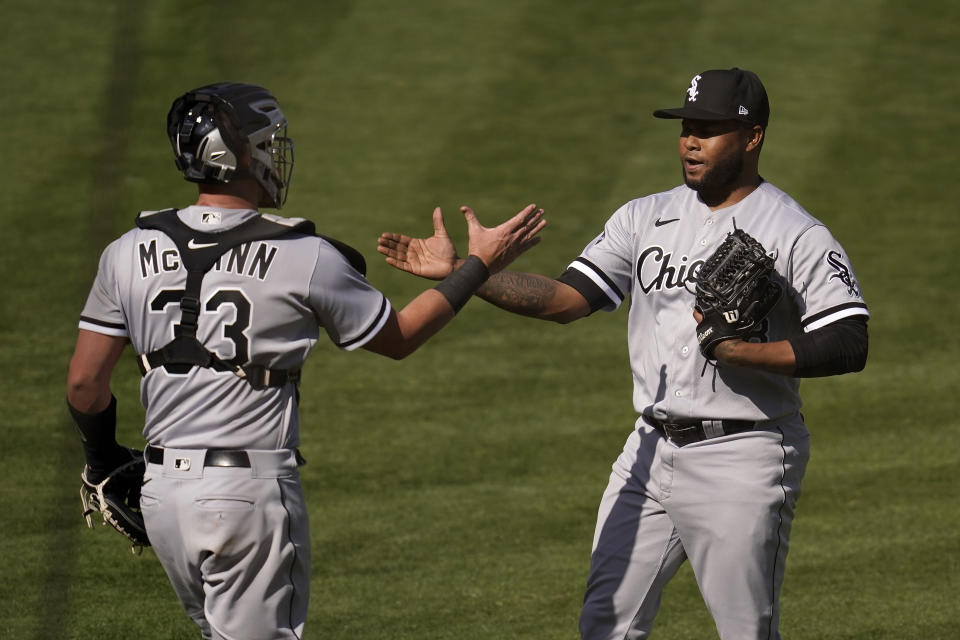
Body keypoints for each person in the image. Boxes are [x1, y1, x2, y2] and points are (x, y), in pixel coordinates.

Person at [377, 68, 869, 639]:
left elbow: (848, 339)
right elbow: (568, 299)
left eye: (708, 129)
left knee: (746, 633)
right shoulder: (643, 216)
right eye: (686, 127)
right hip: (648, 453)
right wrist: (469, 273)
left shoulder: (794, 231)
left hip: (744, 456)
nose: (690, 140)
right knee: (604, 627)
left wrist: (743, 353)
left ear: (752, 137)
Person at [65, 81, 545, 640]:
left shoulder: (126, 250)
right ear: (236, 155)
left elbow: (83, 384)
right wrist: (477, 265)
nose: (274, 154)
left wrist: (101, 463)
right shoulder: (305, 256)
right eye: (267, 143)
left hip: (162, 496)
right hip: (247, 498)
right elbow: (400, 337)